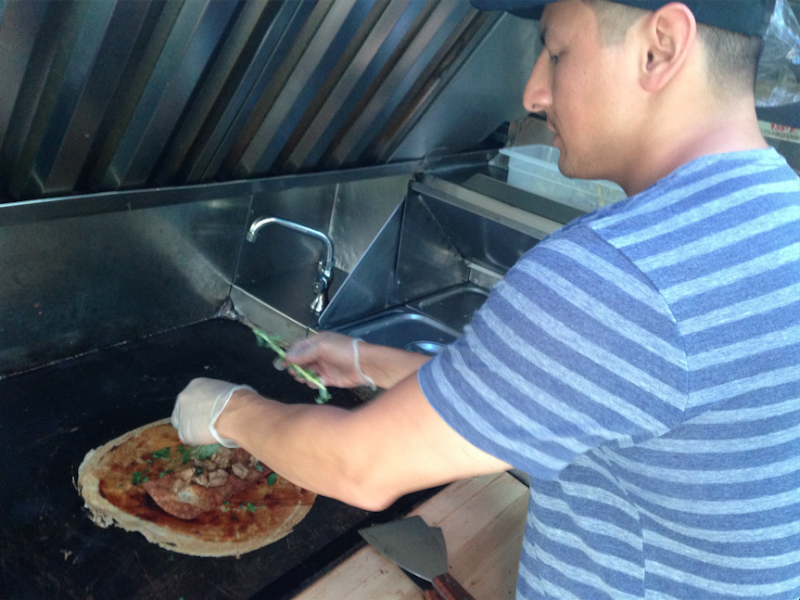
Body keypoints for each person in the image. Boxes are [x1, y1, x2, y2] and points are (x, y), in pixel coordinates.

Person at [172, 1, 800, 598]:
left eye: (555, 52)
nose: (532, 92)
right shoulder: (775, 213)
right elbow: (584, 396)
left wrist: (228, 410)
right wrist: (369, 360)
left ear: (659, 48)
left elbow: (359, 467)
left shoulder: (620, 274)